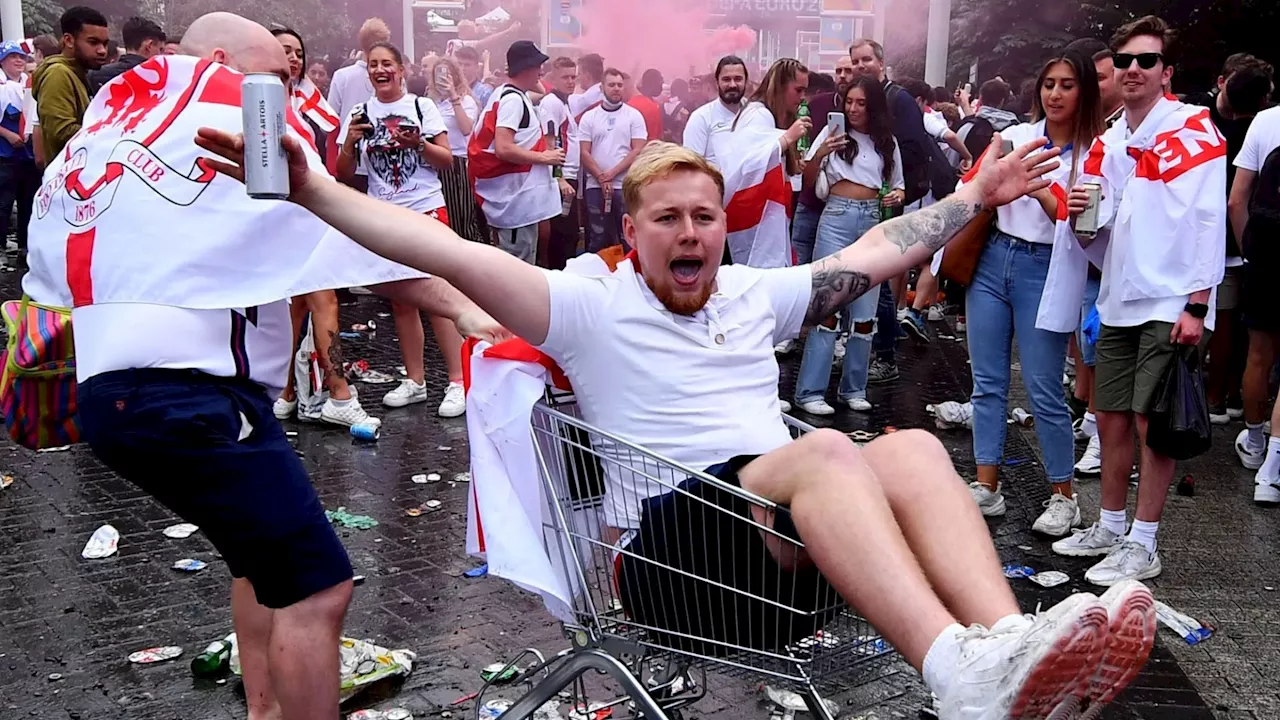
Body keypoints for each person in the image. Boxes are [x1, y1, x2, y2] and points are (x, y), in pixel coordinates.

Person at [197, 112, 1158, 720]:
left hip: (783, 552)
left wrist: (972, 195)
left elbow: (875, 251)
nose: (691, 232)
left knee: (906, 446)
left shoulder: (751, 293)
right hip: (664, 561)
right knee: (822, 448)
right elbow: (441, 248)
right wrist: (314, 186)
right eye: (668, 218)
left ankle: (1007, 659)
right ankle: (952, 664)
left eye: (705, 215)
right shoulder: (584, 304)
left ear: (724, 226)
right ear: (632, 233)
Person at [27, 13, 503, 719]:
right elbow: (337, 234)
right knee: (318, 588)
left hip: (114, 394)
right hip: (191, 395)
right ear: (221, 61)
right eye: (274, 74)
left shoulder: (118, 120)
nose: (284, 85)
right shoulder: (230, 108)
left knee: (258, 560)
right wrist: (463, 305)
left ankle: (264, 709)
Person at [1055, 16, 1226, 585]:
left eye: (1145, 61)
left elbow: (1208, 220)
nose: (1133, 69)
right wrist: (1081, 219)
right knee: (1110, 418)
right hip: (1120, 293)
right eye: (1124, 60)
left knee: (1155, 421)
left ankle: (1144, 541)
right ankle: (1108, 525)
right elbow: (1099, 226)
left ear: (1166, 72)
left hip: (1170, 297)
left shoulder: (1195, 130)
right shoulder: (1112, 138)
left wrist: (1198, 303)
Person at [963, 51, 1106, 539]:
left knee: (1044, 387)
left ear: (1083, 90)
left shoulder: (1095, 153)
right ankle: (987, 484)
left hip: (1047, 266)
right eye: (1048, 84)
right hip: (993, 257)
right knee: (987, 381)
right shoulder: (1020, 138)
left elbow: (1082, 228)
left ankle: (1062, 497)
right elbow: (974, 191)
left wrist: (1038, 189)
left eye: (1067, 84)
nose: (1056, 94)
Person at [336, 42, 469, 419]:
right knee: (400, 300)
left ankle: (458, 381)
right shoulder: (361, 112)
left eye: (386, 64)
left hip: (424, 210)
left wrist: (419, 144)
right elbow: (344, 174)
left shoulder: (421, 107)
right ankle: (416, 380)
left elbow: (447, 160)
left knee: (437, 298)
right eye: (373, 64)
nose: (380, 70)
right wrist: (349, 142)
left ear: (401, 69)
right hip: (385, 215)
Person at [269, 27, 374, 428]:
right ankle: (337, 391)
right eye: (283, 51)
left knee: (300, 301)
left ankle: (286, 390)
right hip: (278, 215)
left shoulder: (308, 101)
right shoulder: (257, 102)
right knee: (319, 298)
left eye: (297, 51)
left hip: (308, 209)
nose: (293, 59)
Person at [792, 75, 903, 416]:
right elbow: (807, 182)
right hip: (836, 218)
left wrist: (898, 196)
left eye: (861, 103)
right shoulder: (833, 134)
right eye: (849, 101)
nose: (853, 109)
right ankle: (809, 391)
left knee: (864, 316)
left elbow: (898, 186)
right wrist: (821, 152)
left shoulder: (887, 142)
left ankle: (853, 388)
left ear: (873, 106)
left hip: (871, 221)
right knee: (828, 308)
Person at [849, 38, 932, 384]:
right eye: (856, 61)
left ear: (881, 62)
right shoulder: (856, 102)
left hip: (888, 204)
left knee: (880, 281)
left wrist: (899, 193)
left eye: (867, 59)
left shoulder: (898, 99)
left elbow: (913, 150)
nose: (861, 65)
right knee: (861, 279)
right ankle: (867, 348)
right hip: (855, 208)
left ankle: (884, 354)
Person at [1194, 56, 1271, 426]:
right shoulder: (1254, 124)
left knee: (1222, 326)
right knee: (1222, 325)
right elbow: (1239, 198)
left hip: (1221, 240)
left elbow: (1235, 198)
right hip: (1225, 241)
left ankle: (1212, 397)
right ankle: (1214, 397)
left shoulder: (1201, 115)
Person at [1228, 69, 1280, 502]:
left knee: (1259, 353)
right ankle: (1274, 465)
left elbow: (1236, 197)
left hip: (1266, 253)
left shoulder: (1265, 121)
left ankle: (1256, 438)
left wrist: (1249, 250)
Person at [468, 40, 563, 264]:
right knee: (517, 265)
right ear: (526, 67)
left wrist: (529, 78)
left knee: (519, 259)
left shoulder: (509, 93)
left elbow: (539, 91)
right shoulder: (513, 101)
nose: (541, 72)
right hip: (513, 202)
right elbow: (503, 148)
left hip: (516, 198)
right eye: (537, 66)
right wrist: (545, 157)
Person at [790, 55, 855, 269]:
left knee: (833, 270)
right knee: (799, 263)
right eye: (838, 71)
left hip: (845, 208)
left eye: (848, 70)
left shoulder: (868, 114)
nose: (842, 76)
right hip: (810, 200)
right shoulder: (817, 104)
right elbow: (797, 139)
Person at [579, 68, 648, 252]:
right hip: (595, 186)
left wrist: (612, 174)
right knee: (597, 236)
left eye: (619, 85)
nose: (616, 89)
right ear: (602, 87)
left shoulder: (634, 115)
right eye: (611, 85)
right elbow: (584, 151)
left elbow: (638, 149)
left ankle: (630, 275)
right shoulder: (589, 117)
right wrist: (601, 176)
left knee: (628, 235)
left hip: (624, 185)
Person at [421, 55, 485, 247]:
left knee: (461, 218)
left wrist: (453, 97)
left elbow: (467, 129)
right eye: (438, 75)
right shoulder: (429, 101)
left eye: (447, 74)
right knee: (440, 219)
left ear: (455, 76)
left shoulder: (466, 100)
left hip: (457, 164)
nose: (442, 79)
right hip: (432, 162)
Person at [32, 5, 109, 161]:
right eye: (93, 42)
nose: (102, 50)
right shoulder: (58, 73)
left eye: (105, 44)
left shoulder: (77, 72)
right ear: (69, 40)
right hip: (69, 177)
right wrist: (111, 135)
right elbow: (62, 133)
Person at [328, 18, 387, 192]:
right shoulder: (391, 76)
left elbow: (331, 117)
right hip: (380, 159)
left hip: (349, 157)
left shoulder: (342, 76)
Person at [538, 55, 582, 269]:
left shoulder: (564, 102)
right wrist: (560, 178)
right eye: (565, 77)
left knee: (569, 234)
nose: (571, 81)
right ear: (553, 78)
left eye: (573, 77)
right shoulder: (551, 103)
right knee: (562, 236)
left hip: (570, 177)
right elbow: (550, 144)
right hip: (561, 180)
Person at [0, 42, 38, 257]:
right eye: (13, 56)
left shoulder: (29, 84)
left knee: (28, 203)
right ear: (2, 60)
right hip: (5, 155)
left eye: (22, 57)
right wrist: (8, 134)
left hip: (28, 155)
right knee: (3, 204)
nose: (18, 61)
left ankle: (25, 246)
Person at [682, 55, 747, 168]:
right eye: (726, 79)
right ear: (717, 83)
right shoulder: (701, 118)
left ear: (746, 81)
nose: (732, 84)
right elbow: (692, 166)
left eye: (738, 79)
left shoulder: (758, 113)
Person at [86, 16, 165, 96]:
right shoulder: (158, 79)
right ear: (149, 46)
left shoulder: (94, 75)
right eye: (160, 49)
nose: (161, 55)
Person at [629, 69, 664, 141]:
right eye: (660, 84)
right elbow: (655, 139)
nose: (662, 88)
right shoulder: (653, 107)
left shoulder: (629, 103)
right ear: (653, 84)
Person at [569, 52, 604, 117]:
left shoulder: (585, 100)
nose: (577, 78)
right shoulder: (606, 93)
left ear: (588, 76)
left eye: (579, 74)